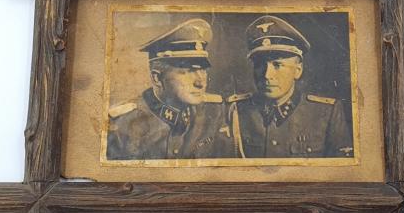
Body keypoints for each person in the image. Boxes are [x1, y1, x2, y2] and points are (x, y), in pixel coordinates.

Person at [107, 18, 236, 160]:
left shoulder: (214, 113)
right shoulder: (122, 124)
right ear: (157, 78)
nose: (200, 83)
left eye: (203, 70)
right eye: (187, 71)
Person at [228, 15, 354, 159]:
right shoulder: (236, 110)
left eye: (277, 65)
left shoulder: (327, 113)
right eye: (259, 65)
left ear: (297, 70)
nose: (267, 75)